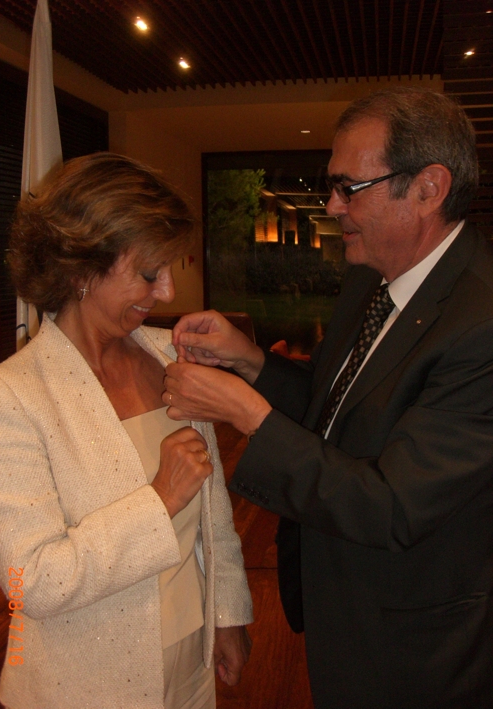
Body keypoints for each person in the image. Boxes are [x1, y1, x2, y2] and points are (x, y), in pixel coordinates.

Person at [163, 87, 493, 709]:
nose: (333, 205)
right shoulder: (371, 279)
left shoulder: (482, 323)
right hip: (343, 605)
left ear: (429, 187)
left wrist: (244, 412)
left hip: (416, 646)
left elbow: (392, 506)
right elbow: (334, 405)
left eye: (350, 187)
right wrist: (248, 360)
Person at [0, 153, 252, 709]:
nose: (167, 292)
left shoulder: (171, 357)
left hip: (190, 663)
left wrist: (227, 613)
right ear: (80, 269)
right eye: (149, 273)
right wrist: (160, 499)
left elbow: (212, 510)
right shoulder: (6, 396)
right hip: (88, 683)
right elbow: (31, 582)